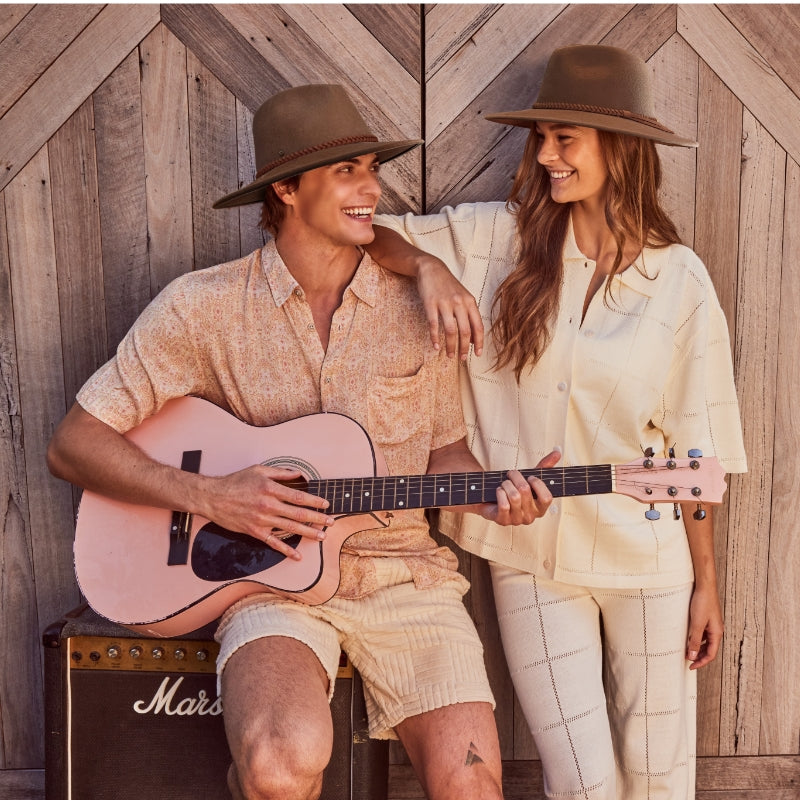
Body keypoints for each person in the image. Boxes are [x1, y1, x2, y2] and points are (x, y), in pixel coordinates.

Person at [46, 84, 557, 800]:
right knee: (278, 766)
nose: (372, 189)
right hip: (270, 588)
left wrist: (498, 500)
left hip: (405, 577)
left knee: (471, 787)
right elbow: (74, 443)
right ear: (285, 188)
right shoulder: (202, 307)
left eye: (372, 169)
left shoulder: (418, 308)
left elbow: (444, 454)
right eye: (347, 171)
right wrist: (211, 496)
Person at [367, 46, 747, 800]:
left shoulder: (679, 281)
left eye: (563, 137)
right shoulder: (494, 241)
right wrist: (427, 267)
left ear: (619, 146)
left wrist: (707, 582)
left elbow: (700, 447)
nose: (544, 154)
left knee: (659, 776)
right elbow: (364, 230)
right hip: (529, 555)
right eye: (540, 135)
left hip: (649, 562)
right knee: (581, 783)